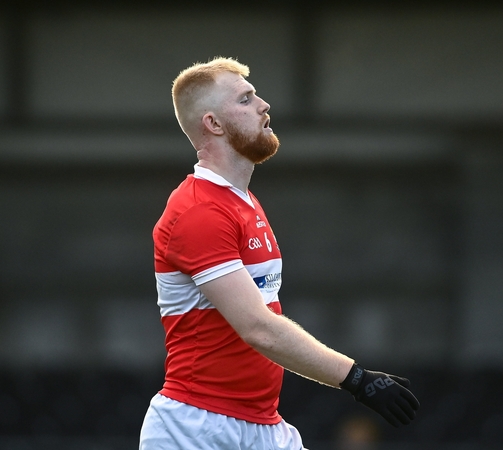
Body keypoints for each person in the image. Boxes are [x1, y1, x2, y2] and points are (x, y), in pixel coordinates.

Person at [140, 57, 419, 450]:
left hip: (261, 424)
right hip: (198, 427)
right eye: (246, 99)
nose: (263, 105)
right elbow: (258, 328)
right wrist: (356, 378)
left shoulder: (243, 202)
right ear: (214, 124)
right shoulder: (199, 209)